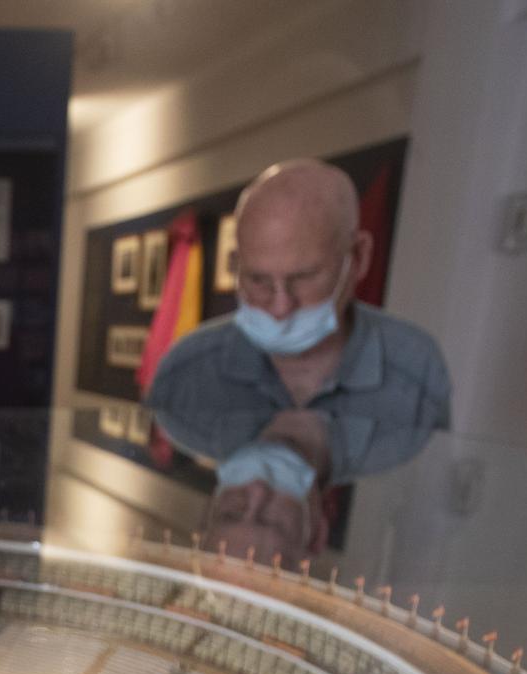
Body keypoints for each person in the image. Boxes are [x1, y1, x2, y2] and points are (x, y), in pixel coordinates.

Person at [145, 159, 451, 565]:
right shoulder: (182, 380)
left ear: (357, 258)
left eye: (303, 278)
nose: (279, 306)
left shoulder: (417, 376)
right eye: (257, 280)